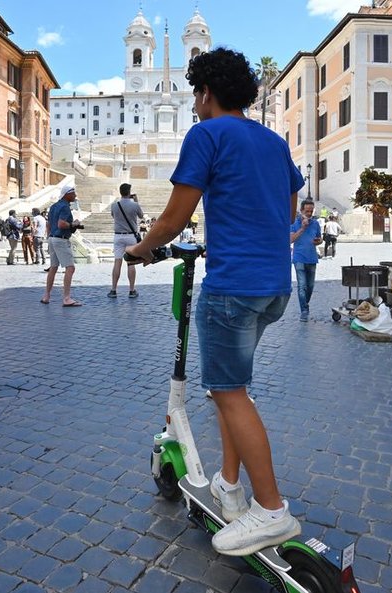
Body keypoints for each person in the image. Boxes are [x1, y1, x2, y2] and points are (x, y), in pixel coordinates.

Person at [126, 47, 303, 557]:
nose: (195, 105)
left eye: (196, 94)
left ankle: (271, 511)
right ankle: (229, 483)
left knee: (227, 393)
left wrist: (142, 248)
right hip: (274, 286)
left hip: (232, 286)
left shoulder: (206, 134)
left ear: (206, 92)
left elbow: (175, 216)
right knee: (234, 389)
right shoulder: (272, 141)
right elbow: (287, 207)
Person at [42, 186, 82, 307]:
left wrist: (49, 238)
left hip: (52, 238)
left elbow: (49, 224)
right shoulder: (65, 207)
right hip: (61, 239)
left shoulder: (53, 206)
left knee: (53, 267)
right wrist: (74, 224)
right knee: (70, 268)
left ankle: (46, 296)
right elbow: (61, 224)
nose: (75, 195)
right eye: (73, 193)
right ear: (67, 194)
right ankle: (66, 298)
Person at [108, 183, 144, 298]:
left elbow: (114, 216)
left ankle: (113, 290)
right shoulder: (134, 205)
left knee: (117, 263)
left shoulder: (114, 205)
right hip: (131, 236)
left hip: (118, 236)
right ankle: (132, 290)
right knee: (131, 263)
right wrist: (136, 201)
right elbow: (141, 216)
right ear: (129, 192)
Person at [290, 200, 322, 322]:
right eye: (307, 211)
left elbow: (320, 239)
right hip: (299, 259)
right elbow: (291, 239)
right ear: (301, 210)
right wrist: (302, 228)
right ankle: (304, 310)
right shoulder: (294, 223)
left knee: (310, 286)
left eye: (311, 211)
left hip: (312, 258)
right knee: (302, 286)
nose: (309, 213)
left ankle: (305, 304)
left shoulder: (315, 223)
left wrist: (319, 241)